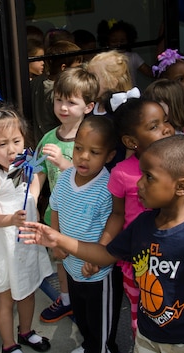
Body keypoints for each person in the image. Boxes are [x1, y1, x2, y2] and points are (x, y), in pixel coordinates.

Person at [20, 135, 184, 353]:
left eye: (149, 177)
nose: (139, 184)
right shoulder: (143, 224)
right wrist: (58, 239)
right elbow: (105, 255)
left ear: (181, 186)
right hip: (146, 336)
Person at [0, 105, 53, 353]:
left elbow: (36, 178)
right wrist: (10, 219)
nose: (11, 149)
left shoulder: (23, 162)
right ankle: (8, 344)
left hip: (26, 240)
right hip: (5, 243)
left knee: (28, 290)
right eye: (2, 144)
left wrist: (33, 200)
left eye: (16, 141)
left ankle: (26, 331)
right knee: (7, 298)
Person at [104, 98, 174, 335]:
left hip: (174, 257)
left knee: (173, 312)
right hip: (139, 261)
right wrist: (102, 249)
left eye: (165, 121)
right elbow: (117, 214)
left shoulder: (178, 163)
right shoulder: (121, 173)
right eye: (154, 126)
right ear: (131, 141)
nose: (165, 128)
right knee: (141, 317)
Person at [35, 67, 99, 324]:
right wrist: (32, 202)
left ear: (88, 106)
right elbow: (38, 171)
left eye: (71, 102)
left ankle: (87, 301)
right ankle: (66, 298)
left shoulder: (92, 138)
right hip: (57, 215)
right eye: (59, 100)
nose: (63, 107)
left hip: (85, 217)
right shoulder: (49, 137)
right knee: (60, 258)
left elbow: (94, 177)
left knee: (85, 261)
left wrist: (64, 164)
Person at [50, 116, 118, 353]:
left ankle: (101, 348)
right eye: (79, 148)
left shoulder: (107, 187)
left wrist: (95, 258)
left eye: (94, 152)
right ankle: (88, 345)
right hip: (70, 265)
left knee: (100, 323)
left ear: (109, 156)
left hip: (96, 273)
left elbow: (112, 223)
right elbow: (55, 207)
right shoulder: (66, 177)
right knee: (82, 315)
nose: (84, 156)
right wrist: (55, 240)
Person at [30, 41, 83, 141]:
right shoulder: (60, 92)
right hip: (55, 142)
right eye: (78, 66)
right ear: (64, 68)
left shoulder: (37, 81)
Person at [98, 20, 154, 86]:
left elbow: (149, 72)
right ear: (106, 42)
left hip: (131, 94)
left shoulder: (133, 57)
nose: (118, 44)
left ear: (129, 40)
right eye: (114, 41)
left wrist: (163, 65)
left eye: (122, 41)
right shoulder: (105, 58)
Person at [86, 50, 134, 116]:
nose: (88, 81)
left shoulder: (122, 111)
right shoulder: (90, 107)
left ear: (112, 83)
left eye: (93, 77)